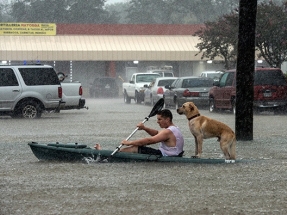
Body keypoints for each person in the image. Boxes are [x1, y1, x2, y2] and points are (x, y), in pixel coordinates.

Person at [95, 109, 184, 157]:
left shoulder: (167, 131)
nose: (157, 121)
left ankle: (108, 155)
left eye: (159, 119)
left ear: (167, 119)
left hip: (165, 156)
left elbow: (149, 140)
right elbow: (157, 133)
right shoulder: (174, 128)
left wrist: (129, 142)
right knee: (138, 147)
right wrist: (144, 128)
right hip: (174, 154)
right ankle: (110, 152)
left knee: (135, 148)